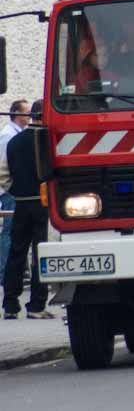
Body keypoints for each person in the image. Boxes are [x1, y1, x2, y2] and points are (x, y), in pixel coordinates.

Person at [2, 101, 53, 319]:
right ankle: (36, 306)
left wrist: (16, 190)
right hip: (43, 203)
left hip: (22, 202)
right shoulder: (49, 140)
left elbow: (3, 174)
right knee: (40, 254)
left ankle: (10, 304)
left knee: (17, 252)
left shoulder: (14, 142)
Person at [0, 100, 30, 281]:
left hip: (14, 190)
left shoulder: (17, 133)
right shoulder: (8, 135)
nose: (30, 116)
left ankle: (16, 271)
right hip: (10, 191)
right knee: (9, 231)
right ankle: (4, 272)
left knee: (15, 231)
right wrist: (11, 188)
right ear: (17, 114)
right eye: (27, 112)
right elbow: (3, 165)